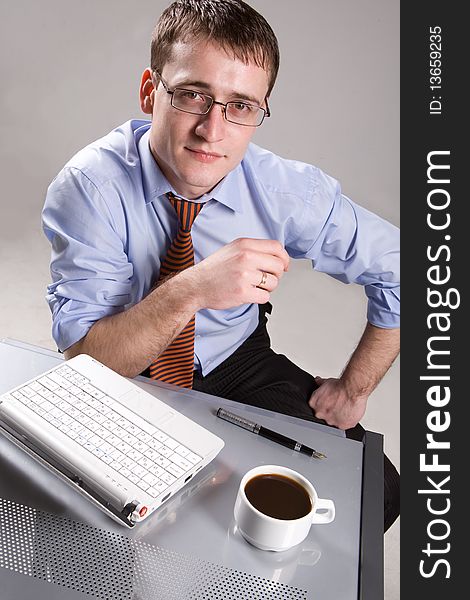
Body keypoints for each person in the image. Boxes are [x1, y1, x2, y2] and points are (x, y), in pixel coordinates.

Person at [42, 0, 400, 530]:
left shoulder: (284, 190)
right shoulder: (89, 188)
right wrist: (194, 289)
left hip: (236, 359)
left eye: (241, 105)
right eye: (193, 96)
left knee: (374, 493)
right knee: (121, 525)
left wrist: (353, 390)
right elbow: (89, 359)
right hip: (124, 371)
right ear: (150, 91)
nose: (213, 130)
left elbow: (406, 271)